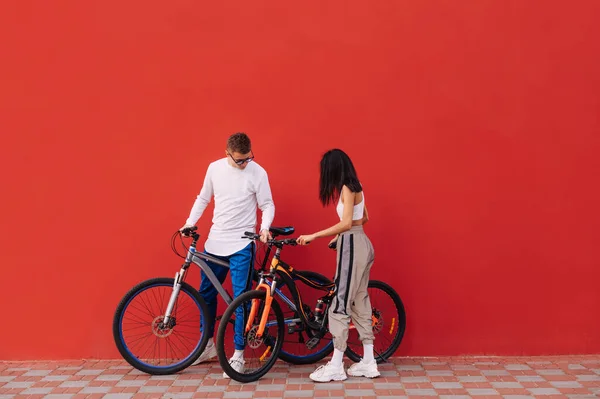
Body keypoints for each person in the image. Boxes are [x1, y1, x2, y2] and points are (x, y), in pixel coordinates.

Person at [180, 132, 275, 377]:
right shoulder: (214, 169)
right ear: (227, 154)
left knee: (240, 298)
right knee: (206, 294)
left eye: (248, 158)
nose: (245, 164)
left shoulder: (258, 173)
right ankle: (206, 346)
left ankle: (238, 354)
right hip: (215, 242)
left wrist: (264, 228)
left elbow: (267, 204)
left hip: (243, 243)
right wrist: (190, 222)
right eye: (240, 160)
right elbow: (203, 198)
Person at [296, 148, 378, 382]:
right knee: (360, 300)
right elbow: (363, 219)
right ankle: (369, 361)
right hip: (361, 242)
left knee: (340, 302)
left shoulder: (346, 188)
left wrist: (315, 235)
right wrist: (339, 236)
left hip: (353, 245)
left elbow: (345, 224)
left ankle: (336, 364)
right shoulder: (357, 185)